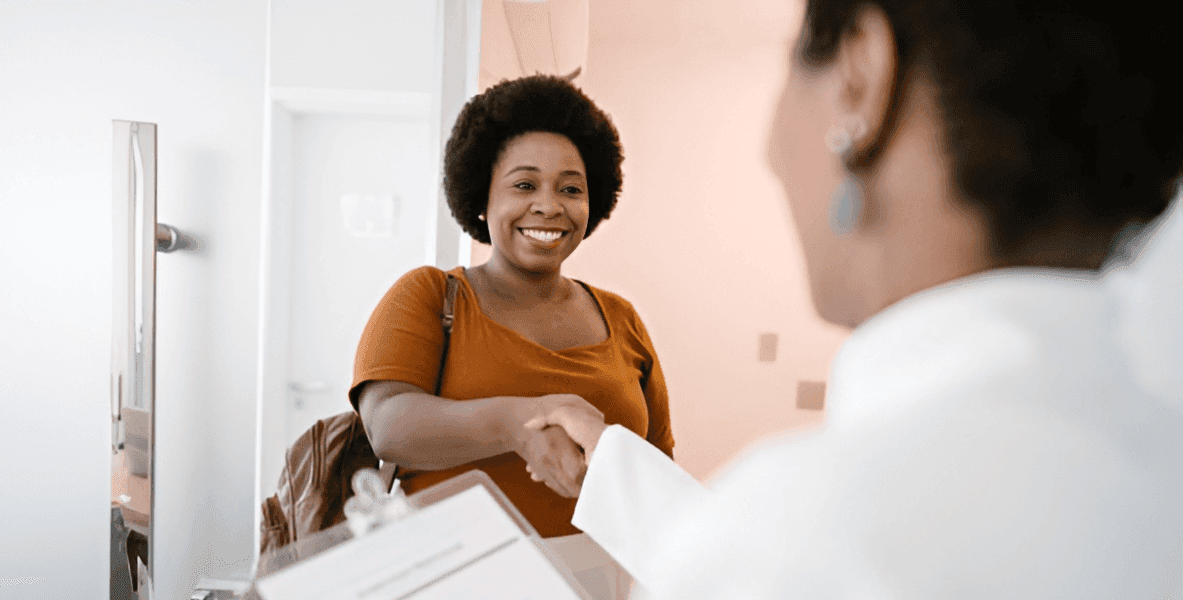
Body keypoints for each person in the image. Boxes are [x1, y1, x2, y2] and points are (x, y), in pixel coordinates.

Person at [523, 1, 1183, 597]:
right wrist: (614, 472)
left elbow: (813, 554)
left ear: (859, 82)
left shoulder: (796, 545)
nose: (773, 151)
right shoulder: (1152, 466)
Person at [348, 74, 672, 599]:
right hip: (456, 578)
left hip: (595, 583)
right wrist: (518, 424)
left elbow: (656, 462)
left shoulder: (623, 319)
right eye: (524, 185)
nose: (548, 206)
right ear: (481, 197)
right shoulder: (430, 297)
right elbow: (387, 425)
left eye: (571, 188)